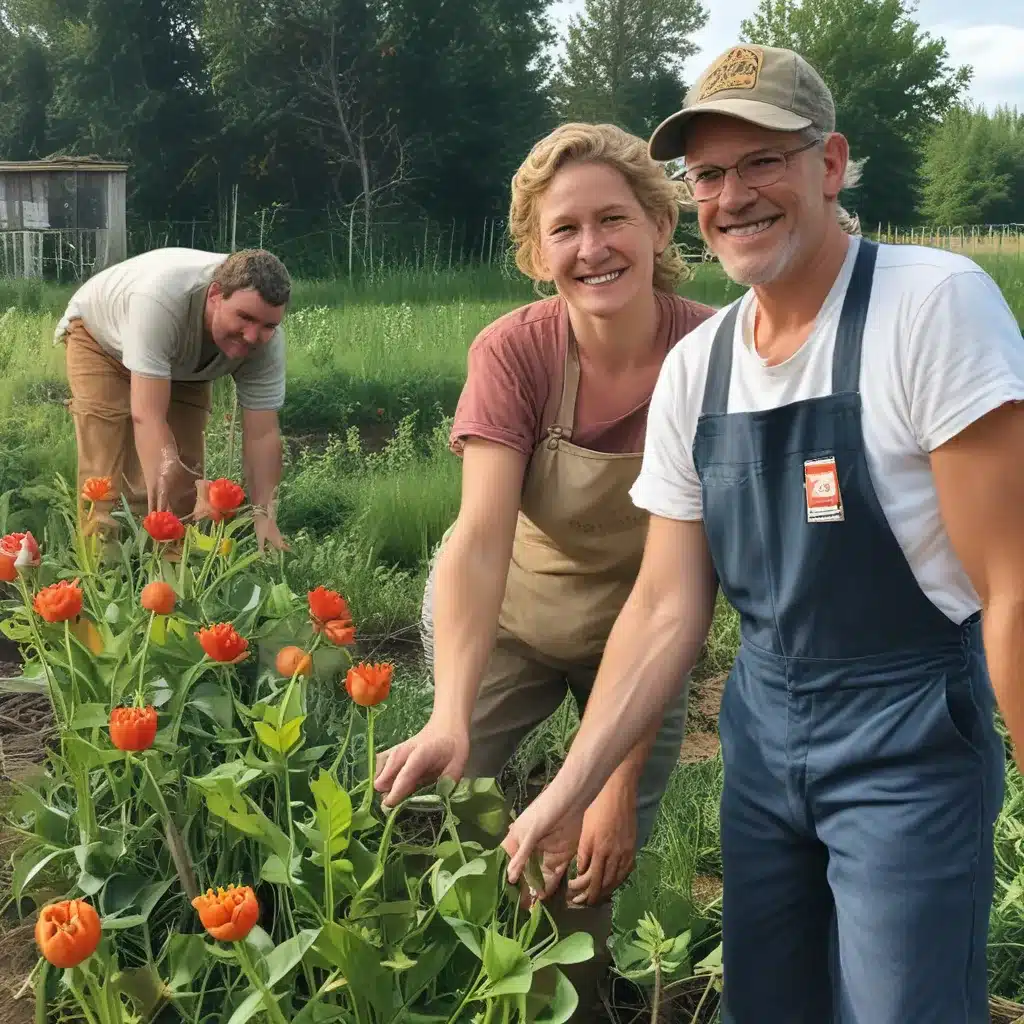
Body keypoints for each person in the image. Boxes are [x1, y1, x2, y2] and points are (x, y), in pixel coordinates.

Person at [499, 44, 1024, 1024]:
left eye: (762, 162)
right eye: (707, 174)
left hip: (907, 737)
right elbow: (662, 606)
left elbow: (1012, 588)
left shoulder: (932, 307)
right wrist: (572, 786)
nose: (732, 195)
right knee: (770, 1005)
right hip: (764, 733)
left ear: (828, 165)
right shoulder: (700, 366)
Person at [373, 122, 716, 1015]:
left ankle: (573, 1001)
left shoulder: (714, 354)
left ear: (658, 225)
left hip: (641, 644)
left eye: (614, 219)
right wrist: (450, 713)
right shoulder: (516, 352)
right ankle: (446, 990)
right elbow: (480, 542)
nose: (592, 248)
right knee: (444, 813)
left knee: (590, 865)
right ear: (534, 253)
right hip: (514, 622)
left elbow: (679, 595)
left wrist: (614, 786)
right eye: (564, 229)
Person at [56, 246, 291, 551]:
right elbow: (148, 415)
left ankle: (173, 572)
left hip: (184, 363)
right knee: (106, 468)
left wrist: (264, 515)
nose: (252, 336)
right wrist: (163, 468)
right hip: (102, 343)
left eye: (268, 326)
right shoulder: (161, 299)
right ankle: (101, 570)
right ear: (216, 294)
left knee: (185, 471)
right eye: (244, 317)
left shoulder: (266, 346)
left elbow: (263, 434)